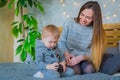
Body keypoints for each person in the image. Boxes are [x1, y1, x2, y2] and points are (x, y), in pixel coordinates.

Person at [58, 1, 105, 74]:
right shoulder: (70, 23)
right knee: (76, 71)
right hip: (68, 56)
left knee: (89, 70)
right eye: (82, 14)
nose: (83, 19)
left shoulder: (96, 31)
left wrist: (81, 58)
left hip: (85, 58)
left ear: (95, 19)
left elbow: (95, 53)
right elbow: (61, 42)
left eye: (88, 18)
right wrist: (66, 53)